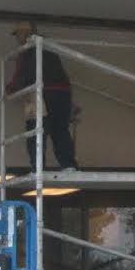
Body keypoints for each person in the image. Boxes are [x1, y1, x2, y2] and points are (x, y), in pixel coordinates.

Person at [7, 21, 79, 171]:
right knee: (60, 130)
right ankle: (69, 165)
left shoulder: (28, 49)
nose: (17, 38)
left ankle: (37, 167)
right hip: (62, 93)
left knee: (36, 130)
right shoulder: (48, 47)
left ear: (26, 33)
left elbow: (21, 74)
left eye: (18, 34)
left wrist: (8, 91)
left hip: (42, 93)